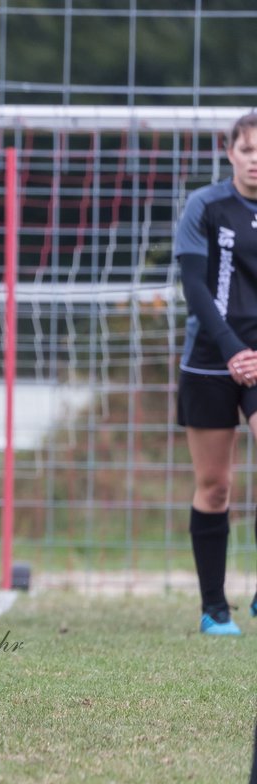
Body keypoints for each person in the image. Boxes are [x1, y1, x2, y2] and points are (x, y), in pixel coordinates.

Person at [176, 110, 257, 636]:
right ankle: (214, 609)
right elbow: (195, 284)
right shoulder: (204, 206)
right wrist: (231, 349)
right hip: (210, 359)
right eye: (248, 151)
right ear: (230, 152)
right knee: (215, 487)